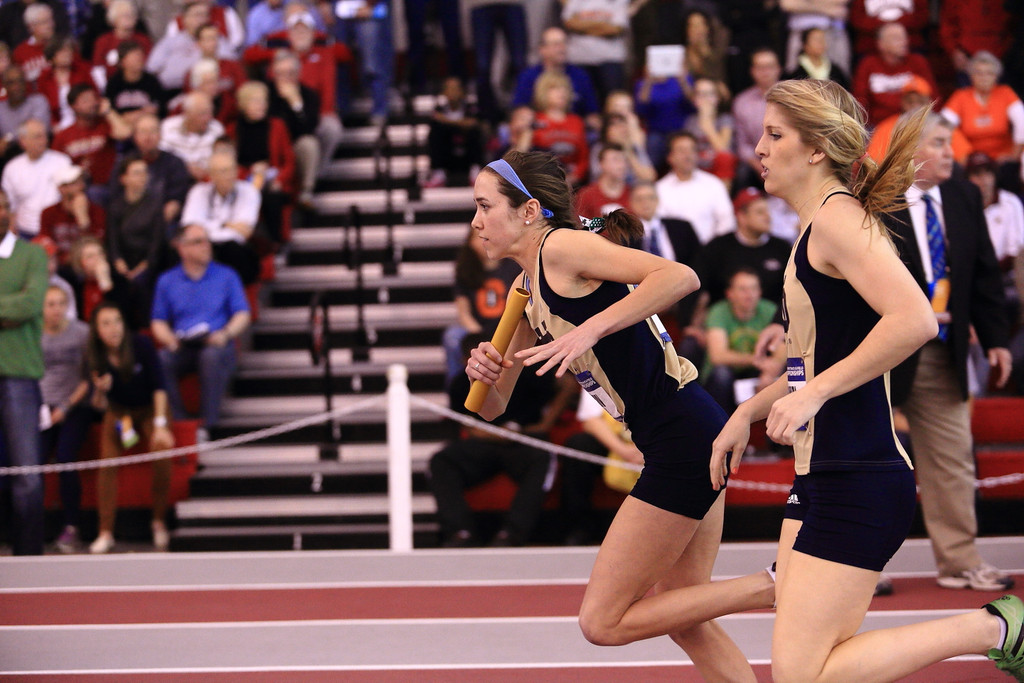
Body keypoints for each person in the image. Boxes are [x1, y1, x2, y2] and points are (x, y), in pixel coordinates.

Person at [710, 78, 1023, 683]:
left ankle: (992, 628)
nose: (760, 149)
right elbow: (809, 367)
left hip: (857, 474)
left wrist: (815, 394)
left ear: (817, 149)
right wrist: (743, 415)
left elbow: (914, 319)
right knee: (808, 671)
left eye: (775, 135)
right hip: (821, 471)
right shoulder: (812, 228)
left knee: (803, 676)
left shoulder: (838, 219)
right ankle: (994, 629)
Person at [466, 150, 776, 677]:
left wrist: (592, 327)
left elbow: (680, 277)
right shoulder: (524, 290)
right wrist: (486, 372)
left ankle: (778, 582)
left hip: (681, 435)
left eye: (483, 206)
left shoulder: (561, 248)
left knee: (602, 622)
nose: (475, 222)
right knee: (685, 617)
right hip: (687, 432)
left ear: (528, 211)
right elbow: (494, 409)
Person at [882, 113, 1016, 593]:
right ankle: (859, 566)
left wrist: (996, 339)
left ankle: (959, 561)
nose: (949, 153)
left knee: (953, 458)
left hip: (941, 352)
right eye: (939, 143)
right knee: (869, 456)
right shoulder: (873, 198)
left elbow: (982, 275)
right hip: (877, 354)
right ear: (911, 150)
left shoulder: (962, 196)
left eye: (950, 143)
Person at [431, 333, 561, 548]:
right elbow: (470, 429)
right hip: (484, 445)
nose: (481, 362)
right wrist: (504, 433)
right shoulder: (460, 384)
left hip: (524, 442)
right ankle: (460, 532)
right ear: (465, 360)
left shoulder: (526, 372)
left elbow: (563, 386)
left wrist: (544, 424)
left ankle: (512, 534)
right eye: (473, 358)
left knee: (543, 456)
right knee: (441, 460)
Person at [86, 300, 175, 553]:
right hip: (120, 414)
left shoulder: (141, 344)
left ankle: (158, 521)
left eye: (117, 321)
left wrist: (160, 425)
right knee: (107, 464)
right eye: (106, 323)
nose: (113, 328)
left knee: (162, 455)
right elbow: (99, 405)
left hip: (150, 409)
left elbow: (160, 387)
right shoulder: (94, 355)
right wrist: (100, 392)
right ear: (97, 330)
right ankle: (106, 531)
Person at [151, 223, 250, 442]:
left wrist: (225, 334)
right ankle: (181, 421)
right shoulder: (167, 280)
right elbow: (158, 321)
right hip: (183, 344)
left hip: (217, 342)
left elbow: (242, 314)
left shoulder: (226, 275)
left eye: (207, 240)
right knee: (161, 359)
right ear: (182, 248)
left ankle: (208, 424)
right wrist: (169, 339)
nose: (206, 246)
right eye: (198, 241)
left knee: (210, 356)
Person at [0, 188, 48, 555]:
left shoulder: (32, 254)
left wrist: (16, 307)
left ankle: (29, 557)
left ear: (10, 212)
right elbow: (15, 304)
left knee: (27, 475)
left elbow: (31, 304)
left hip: (19, 373)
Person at [38, 284, 92, 553]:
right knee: (29, 464)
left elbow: (88, 378)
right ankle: (29, 528)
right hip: (39, 408)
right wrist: (41, 408)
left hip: (75, 406)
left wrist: (65, 408)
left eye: (61, 303)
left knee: (66, 458)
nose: (56, 309)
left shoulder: (82, 333)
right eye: (51, 304)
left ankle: (72, 526)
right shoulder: (31, 333)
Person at [441, 226, 520, 387]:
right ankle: (458, 388)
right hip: (477, 330)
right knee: (452, 337)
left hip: (507, 329)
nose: (483, 241)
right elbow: (463, 313)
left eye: (486, 236)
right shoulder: (465, 271)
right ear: (470, 243)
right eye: (477, 238)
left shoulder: (512, 267)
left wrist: (502, 333)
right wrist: (479, 335)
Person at [695, 186, 791, 307]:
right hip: (723, 321)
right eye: (760, 212)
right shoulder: (717, 248)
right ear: (741, 217)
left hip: (774, 320)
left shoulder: (782, 248)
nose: (768, 217)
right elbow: (701, 290)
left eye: (768, 211)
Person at [226, 81, 295, 248]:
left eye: (263, 101)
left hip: (273, 180)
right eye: (255, 101)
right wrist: (249, 172)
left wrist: (280, 179)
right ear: (243, 105)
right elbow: (230, 163)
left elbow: (289, 162)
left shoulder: (277, 126)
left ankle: (276, 244)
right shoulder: (232, 130)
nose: (261, 106)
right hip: (243, 180)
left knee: (271, 197)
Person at [701, 267, 778, 414]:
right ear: (729, 293)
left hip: (755, 372)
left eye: (754, 288)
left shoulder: (770, 310)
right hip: (725, 375)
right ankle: (721, 423)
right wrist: (757, 361)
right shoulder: (719, 311)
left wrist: (770, 370)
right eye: (743, 289)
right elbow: (718, 356)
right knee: (721, 373)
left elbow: (784, 346)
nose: (749, 295)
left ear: (760, 292)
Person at [941, 51, 1024, 187]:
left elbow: (1022, 121)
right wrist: (964, 155)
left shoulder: (1005, 93)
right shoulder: (961, 96)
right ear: (971, 76)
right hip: (971, 159)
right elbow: (943, 125)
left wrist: (1014, 154)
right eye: (979, 73)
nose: (984, 77)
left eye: (989, 73)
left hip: (1003, 158)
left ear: (996, 76)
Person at [179, 149, 262, 284]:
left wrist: (208, 227)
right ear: (211, 175)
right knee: (182, 250)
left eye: (232, 169)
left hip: (233, 249)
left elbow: (244, 232)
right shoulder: (198, 192)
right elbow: (190, 228)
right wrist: (226, 225)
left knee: (234, 250)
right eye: (223, 171)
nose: (230, 175)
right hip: (203, 245)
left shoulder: (249, 191)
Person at [510, 26, 600, 129]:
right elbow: (520, 111)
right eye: (556, 44)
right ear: (542, 50)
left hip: (574, 131)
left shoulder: (581, 76)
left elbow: (592, 114)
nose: (562, 48)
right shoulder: (528, 76)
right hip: (539, 131)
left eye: (564, 43)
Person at [655, 132, 734, 244]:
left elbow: (726, 221)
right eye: (682, 150)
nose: (688, 155)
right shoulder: (660, 189)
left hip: (711, 251)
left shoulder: (713, 184)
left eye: (692, 150)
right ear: (670, 157)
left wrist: (714, 249)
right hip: (674, 255)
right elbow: (659, 227)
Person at [851, 22, 936, 126]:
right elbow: (860, 102)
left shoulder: (918, 62)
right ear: (880, 44)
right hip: (876, 126)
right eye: (896, 38)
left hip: (913, 124)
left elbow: (932, 97)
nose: (903, 42)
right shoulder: (868, 64)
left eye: (904, 37)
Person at [1, 119, 72, 238]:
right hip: (25, 233)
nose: (44, 140)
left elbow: (72, 196)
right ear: (23, 141)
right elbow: (10, 207)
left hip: (57, 230)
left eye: (45, 135)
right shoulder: (12, 168)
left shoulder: (62, 162)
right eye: (37, 137)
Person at [521, 72, 589, 187]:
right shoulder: (534, 120)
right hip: (541, 180)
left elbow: (584, 157)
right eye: (555, 88)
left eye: (564, 88)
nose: (562, 92)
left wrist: (573, 178)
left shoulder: (576, 121)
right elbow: (523, 152)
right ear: (543, 92)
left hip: (571, 182)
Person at [466, 0, 527, 124]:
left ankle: (520, 112)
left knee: (519, 63)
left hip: (513, 4)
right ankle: (488, 119)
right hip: (480, 5)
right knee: (482, 66)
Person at [561, 0, 630, 104]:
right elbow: (569, 23)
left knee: (612, 102)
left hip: (610, 59)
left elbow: (615, 29)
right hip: (579, 59)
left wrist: (584, 27)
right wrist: (602, 25)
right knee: (579, 102)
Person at [732, 48, 781, 191]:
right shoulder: (742, 102)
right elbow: (742, 145)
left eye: (769, 67)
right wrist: (759, 165)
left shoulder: (794, 96)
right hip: (757, 162)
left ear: (778, 69)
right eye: (760, 67)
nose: (765, 72)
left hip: (788, 155)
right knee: (742, 172)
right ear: (752, 71)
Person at [38, 164, 106, 267]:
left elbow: (98, 246)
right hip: (60, 266)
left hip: (87, 266)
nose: (82, 186)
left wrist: (83, 220)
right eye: (74, 183)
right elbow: (46, 244)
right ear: (61, 189)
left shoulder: (96, 211)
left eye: (81, 182)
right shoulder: (48, 213)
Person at [424, 76, 484, 189]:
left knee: (474, 131)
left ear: (462, 92)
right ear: (444, 92)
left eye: (455, 89)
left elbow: (473, 123)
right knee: (436, 131)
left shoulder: (470, 108)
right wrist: (455, 123)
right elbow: (436, 120)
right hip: (447, 154)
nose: (452, 92)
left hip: (467, 153)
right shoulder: (439, 109)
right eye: (449, 89)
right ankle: (439, 173)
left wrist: (447, 121)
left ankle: (475, 173)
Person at [159, 91, 225, 182]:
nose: (208, 118)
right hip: (173, 179)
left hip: (205, 180)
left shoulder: (217, 129)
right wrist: (186, 167)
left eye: (210, 112)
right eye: (203, 114)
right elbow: (163, 157)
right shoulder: (168, 126)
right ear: (187, 114)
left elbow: (221, 159)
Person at [683, 77, 735, 186]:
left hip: (716, 165)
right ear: (694, 99)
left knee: (725, 159)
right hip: (697, 165)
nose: (705, 99)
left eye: (709, 94)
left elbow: (723, 149)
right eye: (700, 94)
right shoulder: (690, 121)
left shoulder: (724, 119)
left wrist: (707, 125)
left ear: (718, 97)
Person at [36, 37, 96, 131]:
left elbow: (95, 94)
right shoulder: (44, 78)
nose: (67, 54)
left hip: (86, 121)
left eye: (69, 50)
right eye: (62, 52)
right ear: (51, 57)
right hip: (58, 126)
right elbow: (43, 107)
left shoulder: (83, 70)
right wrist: (53, 125)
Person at [575, 144, 631, 219]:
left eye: (625, 160)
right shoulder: (586, 195)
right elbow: (580, 226)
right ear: (601, 164)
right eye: (616, 160)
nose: (622, 165)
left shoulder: (633, 194)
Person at [784, 27, 850, 90]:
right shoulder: (794, 71)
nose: (821, 43)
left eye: (822, 39)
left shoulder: (835, 70)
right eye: (816, 39)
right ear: (805, 45)